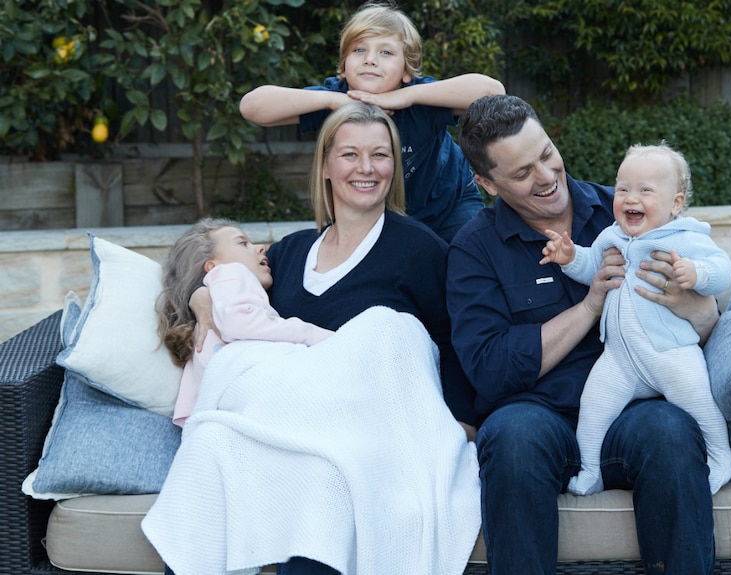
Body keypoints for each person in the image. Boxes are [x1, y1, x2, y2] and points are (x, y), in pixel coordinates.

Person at [144, 102, 480, 575]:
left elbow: (451, 339)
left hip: (369, 436)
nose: (366, 168)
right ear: (325, 165)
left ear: (394, 167)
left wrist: (461, 420)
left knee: (328, 484)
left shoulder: (421, 249)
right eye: (350, 155)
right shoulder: (288, 254)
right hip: (293, 431)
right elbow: (231, 292)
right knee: (213, 444)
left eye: (380, 155)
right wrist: (203, 296)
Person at [446, 94, 721, 575]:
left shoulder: (624, 213)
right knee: (511, 437)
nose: (547, 177)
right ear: (486, 183)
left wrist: (692, 304)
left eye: (546, 153)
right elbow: (490, 370)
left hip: (632, 410)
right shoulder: (475, 249)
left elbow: (706, 321)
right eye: (522, 172)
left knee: (670, 431)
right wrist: (592, 303)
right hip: (537, 415)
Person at [539, 142, 731, 496]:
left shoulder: (684, 237)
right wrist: (569, 257)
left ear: (675, 203)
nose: (631, 198)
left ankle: (722, 457)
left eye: (646, 190)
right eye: (623, 188)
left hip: (670, 352)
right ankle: (590, 470)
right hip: (620, 358)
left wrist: (696, 272)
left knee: (698, 402)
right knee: (593, 406)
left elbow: (723, 270)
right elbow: (590, 270)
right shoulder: (611, 236)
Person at [238, 0, 505, 243]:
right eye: (359, 49)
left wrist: (405, 97)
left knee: (467, 263)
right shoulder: (335, 99)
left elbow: (493, 91)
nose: (370, 59)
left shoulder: (422, 102)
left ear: (407, 70)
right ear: (343, 66)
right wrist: (335, 102)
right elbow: (252, 106)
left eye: (386, 52)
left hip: (447, 207)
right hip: (371, 214)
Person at [156, 218, 334, 427]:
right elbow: (237, 324)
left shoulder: (212, 313)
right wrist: (313, 334)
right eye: (243, 243)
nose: (261, 248)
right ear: (212, 266)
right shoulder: (230, 272)